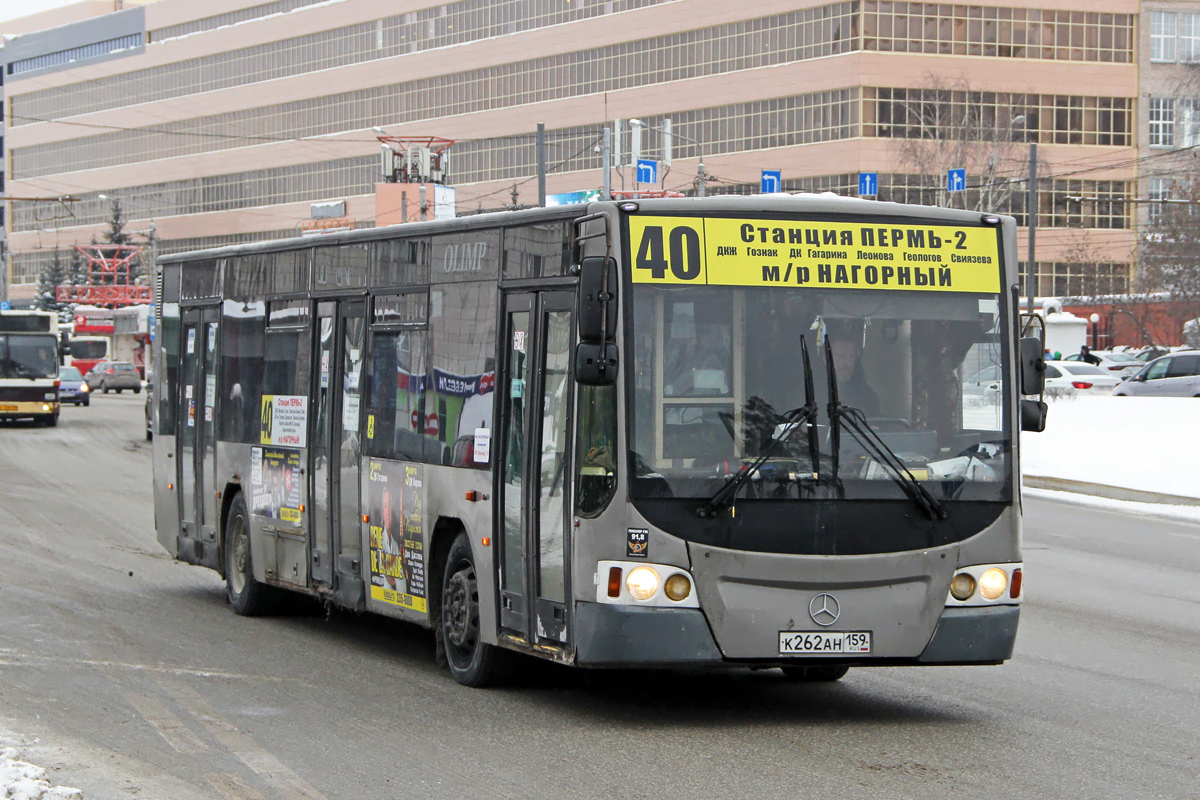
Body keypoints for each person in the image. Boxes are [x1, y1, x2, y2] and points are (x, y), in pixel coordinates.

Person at [824, 319, 880, 417]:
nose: (847, 363)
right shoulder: (812, 393)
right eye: (841, 356)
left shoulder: (867, 397)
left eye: (852, 357)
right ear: (825, 358)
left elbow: (876, 422)